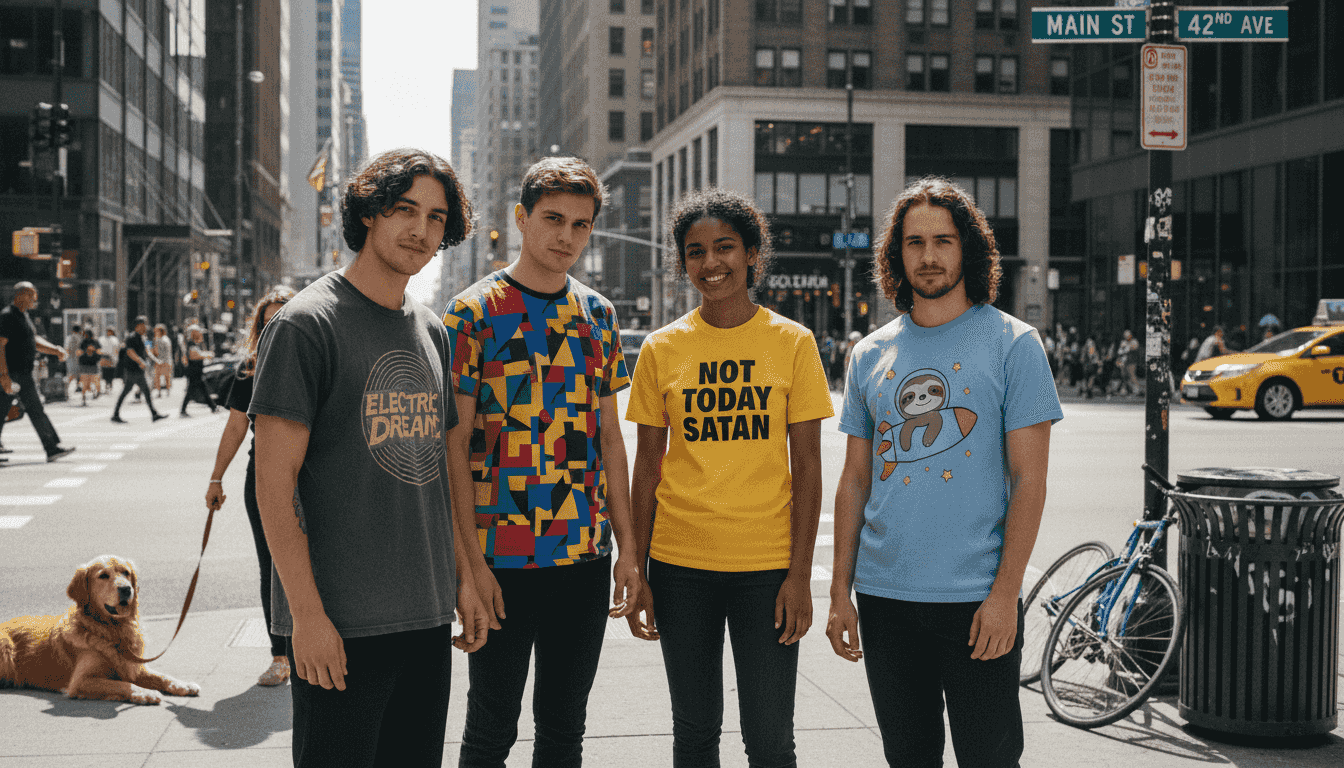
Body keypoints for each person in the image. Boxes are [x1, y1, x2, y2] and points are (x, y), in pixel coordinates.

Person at [250, 148, 488, 768]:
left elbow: (437, 475)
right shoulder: (306, 326)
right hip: (343, 623)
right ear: (369, 214)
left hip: (427, 616)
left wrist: (464, 577)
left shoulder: (433, 331)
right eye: (403, 209)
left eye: (436, 218)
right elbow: (273, 491)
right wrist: (305, 618)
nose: (420, 229)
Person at [826, 178, 1062, 768]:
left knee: (989, 759)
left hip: (977, 600)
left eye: (943, 241)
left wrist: (1006, 596)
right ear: (896, 254)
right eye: (914, 242)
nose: (929, 257)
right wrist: (839, 592)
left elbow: (1028, 481)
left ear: (968, 250)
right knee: (908, 758)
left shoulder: (1015, 343)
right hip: (886, 599)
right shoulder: (869, 354)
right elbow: (855, 480)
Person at [443, 156, 642, 767]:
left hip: (583, 555)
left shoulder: (599, 315)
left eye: (581, 225)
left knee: (564, 731)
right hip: (498, 557)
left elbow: (611, 437)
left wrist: (628, 549)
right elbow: (451, 445)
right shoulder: (471, 313)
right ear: (521, 218)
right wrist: (467, 565)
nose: (566, 236)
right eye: (553, 219)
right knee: (489, 729)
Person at [624, 188, 834, 767]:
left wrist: (799, 576)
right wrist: (638, 569)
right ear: (682, 262)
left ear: (751, 254)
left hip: (765, 571)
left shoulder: (793, 343)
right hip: (679, 568)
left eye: (724, 248)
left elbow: (809, 469)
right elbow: (647, 468)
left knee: (770, 739)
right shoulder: (661, 349)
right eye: (696, 252)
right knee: (694, 734)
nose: (710, 264)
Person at [204, 285, 297, 687]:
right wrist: (216, 477)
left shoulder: (313, 361)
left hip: (311, 477)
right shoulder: (249, 369)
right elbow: (236, 425)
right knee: (272, 566)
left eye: (282, 319)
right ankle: (281, 655)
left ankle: (314, 644)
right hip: (261, 476)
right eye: (267, 320)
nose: (274, 326)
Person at [0, 282, 76, 462]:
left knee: (36, 410)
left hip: (23, 374)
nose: (35, 299)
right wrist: (3, 375)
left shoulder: (23, 315)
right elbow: (0, 345)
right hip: (11, 373)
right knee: (3, 410)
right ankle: (51, 448)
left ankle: (52, 448)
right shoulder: (8, 316)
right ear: (20, 295)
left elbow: (33, 340)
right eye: (31, 295)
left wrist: (55, 350)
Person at [111, 316, 168, 424]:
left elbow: (148, 350)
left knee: (135, 392)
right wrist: (140, 361)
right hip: (132, 370)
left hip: (139, 370)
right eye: (143, 325)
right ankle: (153, 414)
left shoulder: (144, 337)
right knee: (142, 391)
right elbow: (130, 352)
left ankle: (116, 414)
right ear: (138, 326)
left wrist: (156, 360)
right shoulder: (131, 337)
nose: (146, 327)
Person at [179, 325, 218, 416]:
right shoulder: (191, 344)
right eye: (199, 332)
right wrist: (208, 354)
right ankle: (213, 407)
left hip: (196, 372)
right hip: (194, 372)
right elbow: (194, 355)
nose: (201, 334)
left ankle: (213, 407)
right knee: (192, 391)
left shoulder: (195, 344)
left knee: (201, 389)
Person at [76, 329, 101, 405]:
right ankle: (84, 398)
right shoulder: (83, 342)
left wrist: (94, 352)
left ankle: (95, 392)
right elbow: (79, 352)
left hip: (92, 364)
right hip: (85, 365)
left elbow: (99, 352)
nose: (85, 336)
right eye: (85, 334)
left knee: (94, 382)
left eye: (86, 334)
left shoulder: (95, 342)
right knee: (85, 383)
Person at [151, 323, 173, 397]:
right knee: (167, 377)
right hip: (167, 360)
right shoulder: (167, 339)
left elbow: (155, 351)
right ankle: (167, 391)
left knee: (158, 377)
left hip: (161, 361)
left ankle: (160, 392)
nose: (155, 332)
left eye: (156, 330)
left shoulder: (159, 340)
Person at [99, 327, 120, 393]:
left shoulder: (115, 339)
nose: (109, 333)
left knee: (111, 372)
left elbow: (117, 349)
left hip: (112, 358)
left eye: (110, 331)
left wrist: (116, 358)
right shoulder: (102, 339)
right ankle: (107, 385)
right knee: (105, 372)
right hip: (105, 357)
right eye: (108, 331)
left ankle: (110, 384)